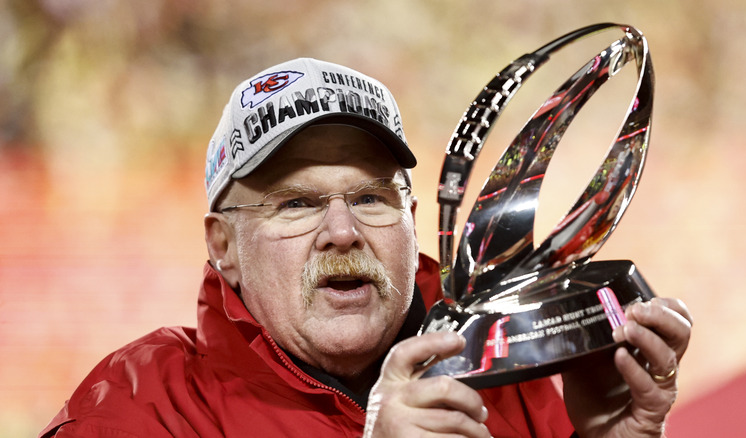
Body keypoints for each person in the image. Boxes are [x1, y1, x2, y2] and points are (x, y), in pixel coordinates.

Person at [40, 58, 692, 437]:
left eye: (371, 198)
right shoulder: (140, 407)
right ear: (224, 244)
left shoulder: (507, 374)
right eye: (297, 203)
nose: (343, 232)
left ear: (412, 219)